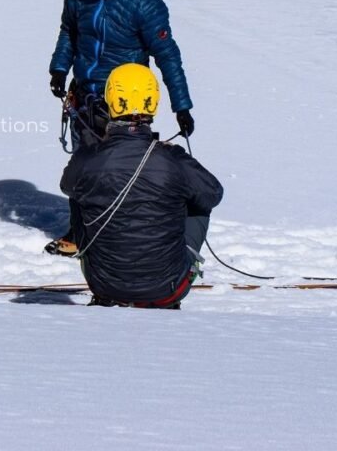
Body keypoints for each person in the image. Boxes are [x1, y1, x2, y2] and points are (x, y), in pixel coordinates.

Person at [46, 0, 194, 257]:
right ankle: (80, 235)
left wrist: (181, 106)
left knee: (121, 171)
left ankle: (123, 237)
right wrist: (59, 69)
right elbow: (68, 32)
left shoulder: (143, 2)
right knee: (85, 168)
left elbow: (167, 55)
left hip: (126, 105)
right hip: (84, 97)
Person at [69, 64, 222, 308]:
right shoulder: (173, 160)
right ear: (154, 103)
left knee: (78, 194)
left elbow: (67, 184)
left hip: (104, 285)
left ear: (110, 100)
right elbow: (213, 194)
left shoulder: (88, 158)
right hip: (168, 289)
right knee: (198, 200)